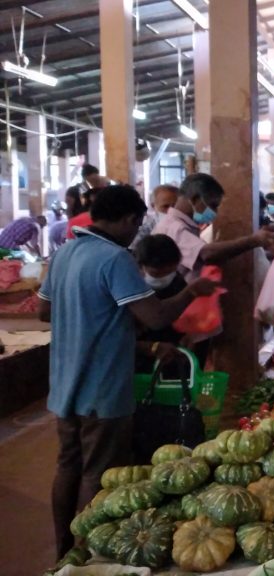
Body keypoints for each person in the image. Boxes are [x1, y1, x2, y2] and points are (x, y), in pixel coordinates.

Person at [38, 185, 217, 559]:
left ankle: (62, 551)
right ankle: (88, 556)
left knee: (68, 464)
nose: (136, 233)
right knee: (99, 472)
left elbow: (44, 311)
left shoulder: (65, 252)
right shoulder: (115, 258)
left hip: (63, 382)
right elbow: (155, 316)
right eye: (136, 226)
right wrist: (191, 292)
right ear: (130, 220)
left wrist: (92, 318)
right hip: (101, 385)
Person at [152, 173, 274, 282]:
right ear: (195, 199)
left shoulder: (184, 225)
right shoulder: (174, 227)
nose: (215, 212)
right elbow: (207, 254)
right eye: (213, 205)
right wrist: (254, 240)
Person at [133, 234, 188, 368]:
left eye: (170, 271)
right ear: (140, 266)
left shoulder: (179, 285)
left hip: (171, 358)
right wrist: (151, 347)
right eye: (157, 273)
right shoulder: (128, 291)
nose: (165, 277)